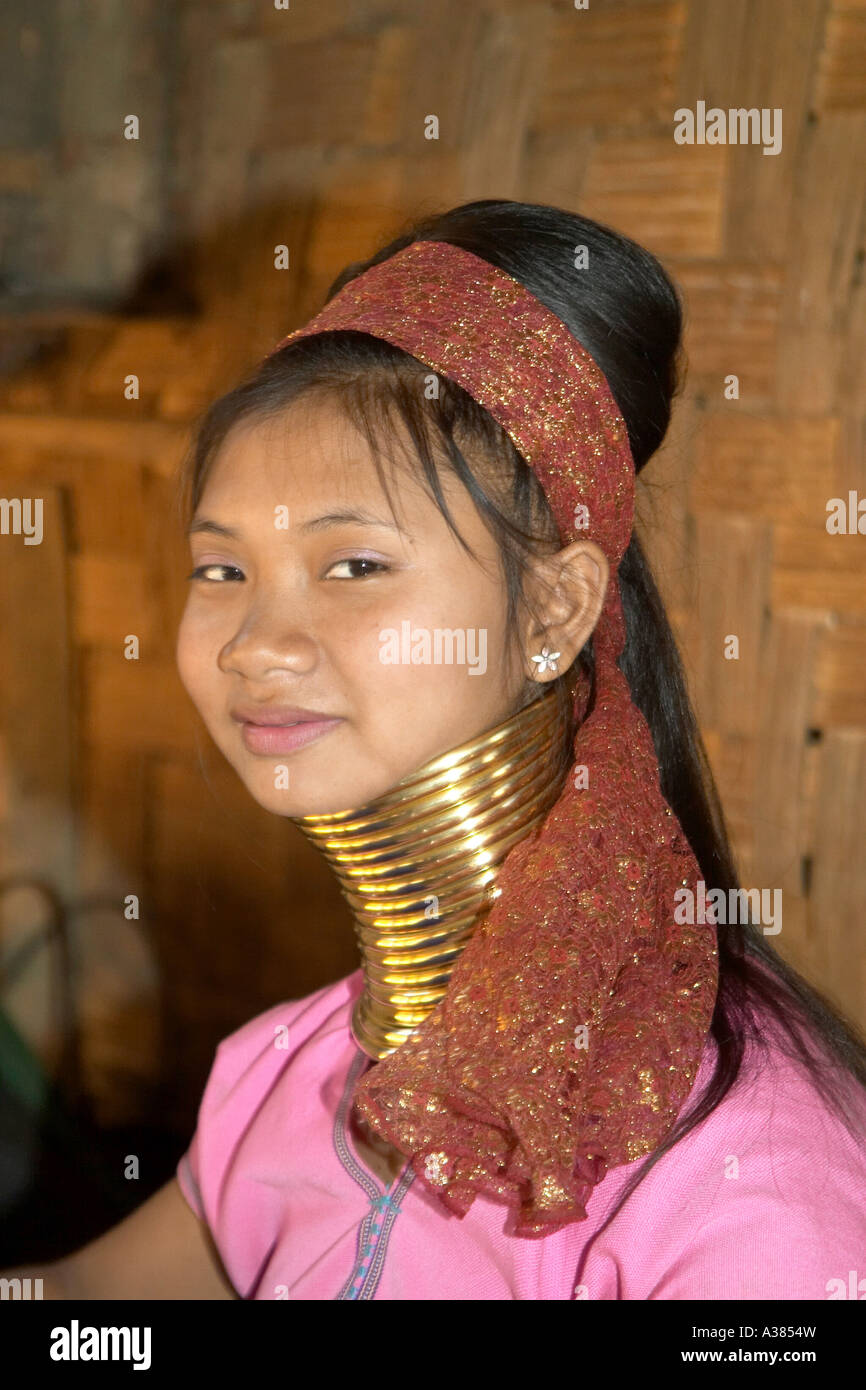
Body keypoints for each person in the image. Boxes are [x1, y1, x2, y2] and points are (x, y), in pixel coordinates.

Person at [5, 199, 866, 1300]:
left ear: (553, 611)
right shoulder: (292, 1068)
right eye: (221, 570)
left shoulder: (741, 1175)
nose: (257, 645)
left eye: (353, 565)